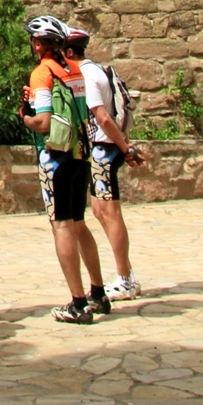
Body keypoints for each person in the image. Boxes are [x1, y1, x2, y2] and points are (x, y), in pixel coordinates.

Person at [21, 15, 107, 324]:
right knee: (80, 223)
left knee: (62, 226)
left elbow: (42, 122)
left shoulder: (41, 74)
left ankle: (78, 303)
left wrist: (24, 116)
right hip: (81, 155)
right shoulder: (75, 72)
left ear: (39, 44)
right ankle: (98, 293)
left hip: (56, 158)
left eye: (33, 40)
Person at [65, 26, 144, 300]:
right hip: (107, 148)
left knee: (109, 213)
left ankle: (125, 278)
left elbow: (103, 117)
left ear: (70, 51)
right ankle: (127, 274)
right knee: (100, 211)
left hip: (103, 148)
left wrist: (124, 147)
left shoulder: (85, 74)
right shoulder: (100, 69)